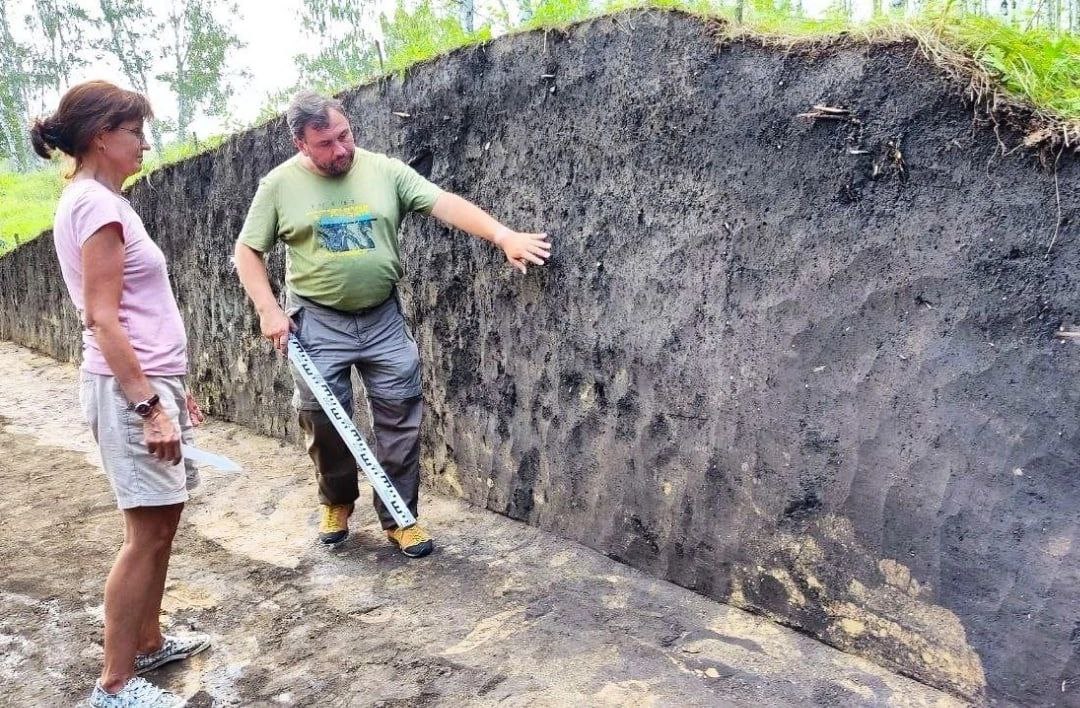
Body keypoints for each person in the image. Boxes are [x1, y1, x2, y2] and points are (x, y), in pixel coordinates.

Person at [235, 91, 551, 557]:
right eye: (326, 144)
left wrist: (502, 235)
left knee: (401, 416)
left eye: (345, 135)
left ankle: (400, 518)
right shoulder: (278, 186)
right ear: (301, 144)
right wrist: (268, 309)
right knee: (323, 419)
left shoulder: (383, 169)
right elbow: (248, 252)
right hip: (317, 323)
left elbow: (444, 204)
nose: (341, 149)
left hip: (382, 317)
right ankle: (337, 502)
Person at [31, 80, 210, 708]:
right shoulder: (96, 206)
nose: (144, 143)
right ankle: (114, 683)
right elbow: (102, 318)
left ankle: (149, 641)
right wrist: (148, 405)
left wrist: (169, 391)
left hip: (148, 380)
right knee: (146, 532)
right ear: (103, 135)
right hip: (128, 389)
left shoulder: (100, 201)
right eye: (135, 131)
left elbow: (134, 311)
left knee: (163, 521)